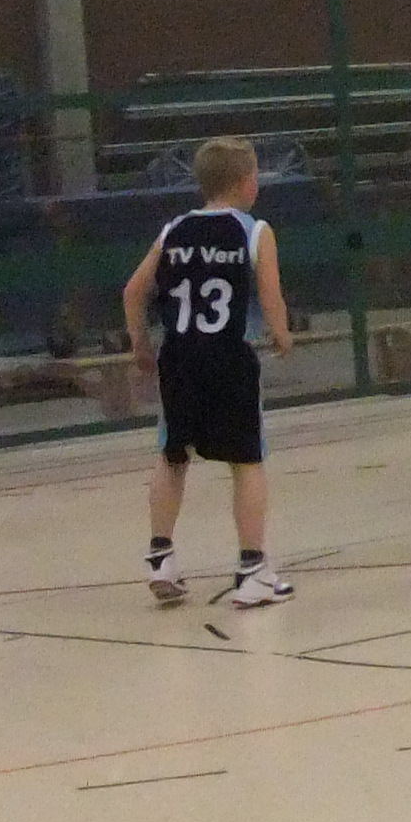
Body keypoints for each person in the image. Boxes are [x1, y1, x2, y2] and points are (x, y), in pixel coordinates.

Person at [125, 135, 295, 608]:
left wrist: (141, 345)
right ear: (245, 182)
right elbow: (270, 296)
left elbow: (133, 292)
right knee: (247, 461)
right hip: (228, 358)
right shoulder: (254, 231)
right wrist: (282, 334)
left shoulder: (174, 230)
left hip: (178, 358)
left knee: (172, 454)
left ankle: (161, 557)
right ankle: (253, 570)